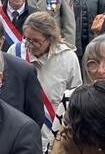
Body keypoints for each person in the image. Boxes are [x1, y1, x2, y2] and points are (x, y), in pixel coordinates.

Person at [10, 11, 81, 145]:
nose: (30, 45)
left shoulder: (68, 57)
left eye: (36, 41)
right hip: (21, 132)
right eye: (27, 39)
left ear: (51, 38)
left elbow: (75, 98)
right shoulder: (15, 52)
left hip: (53, 134)